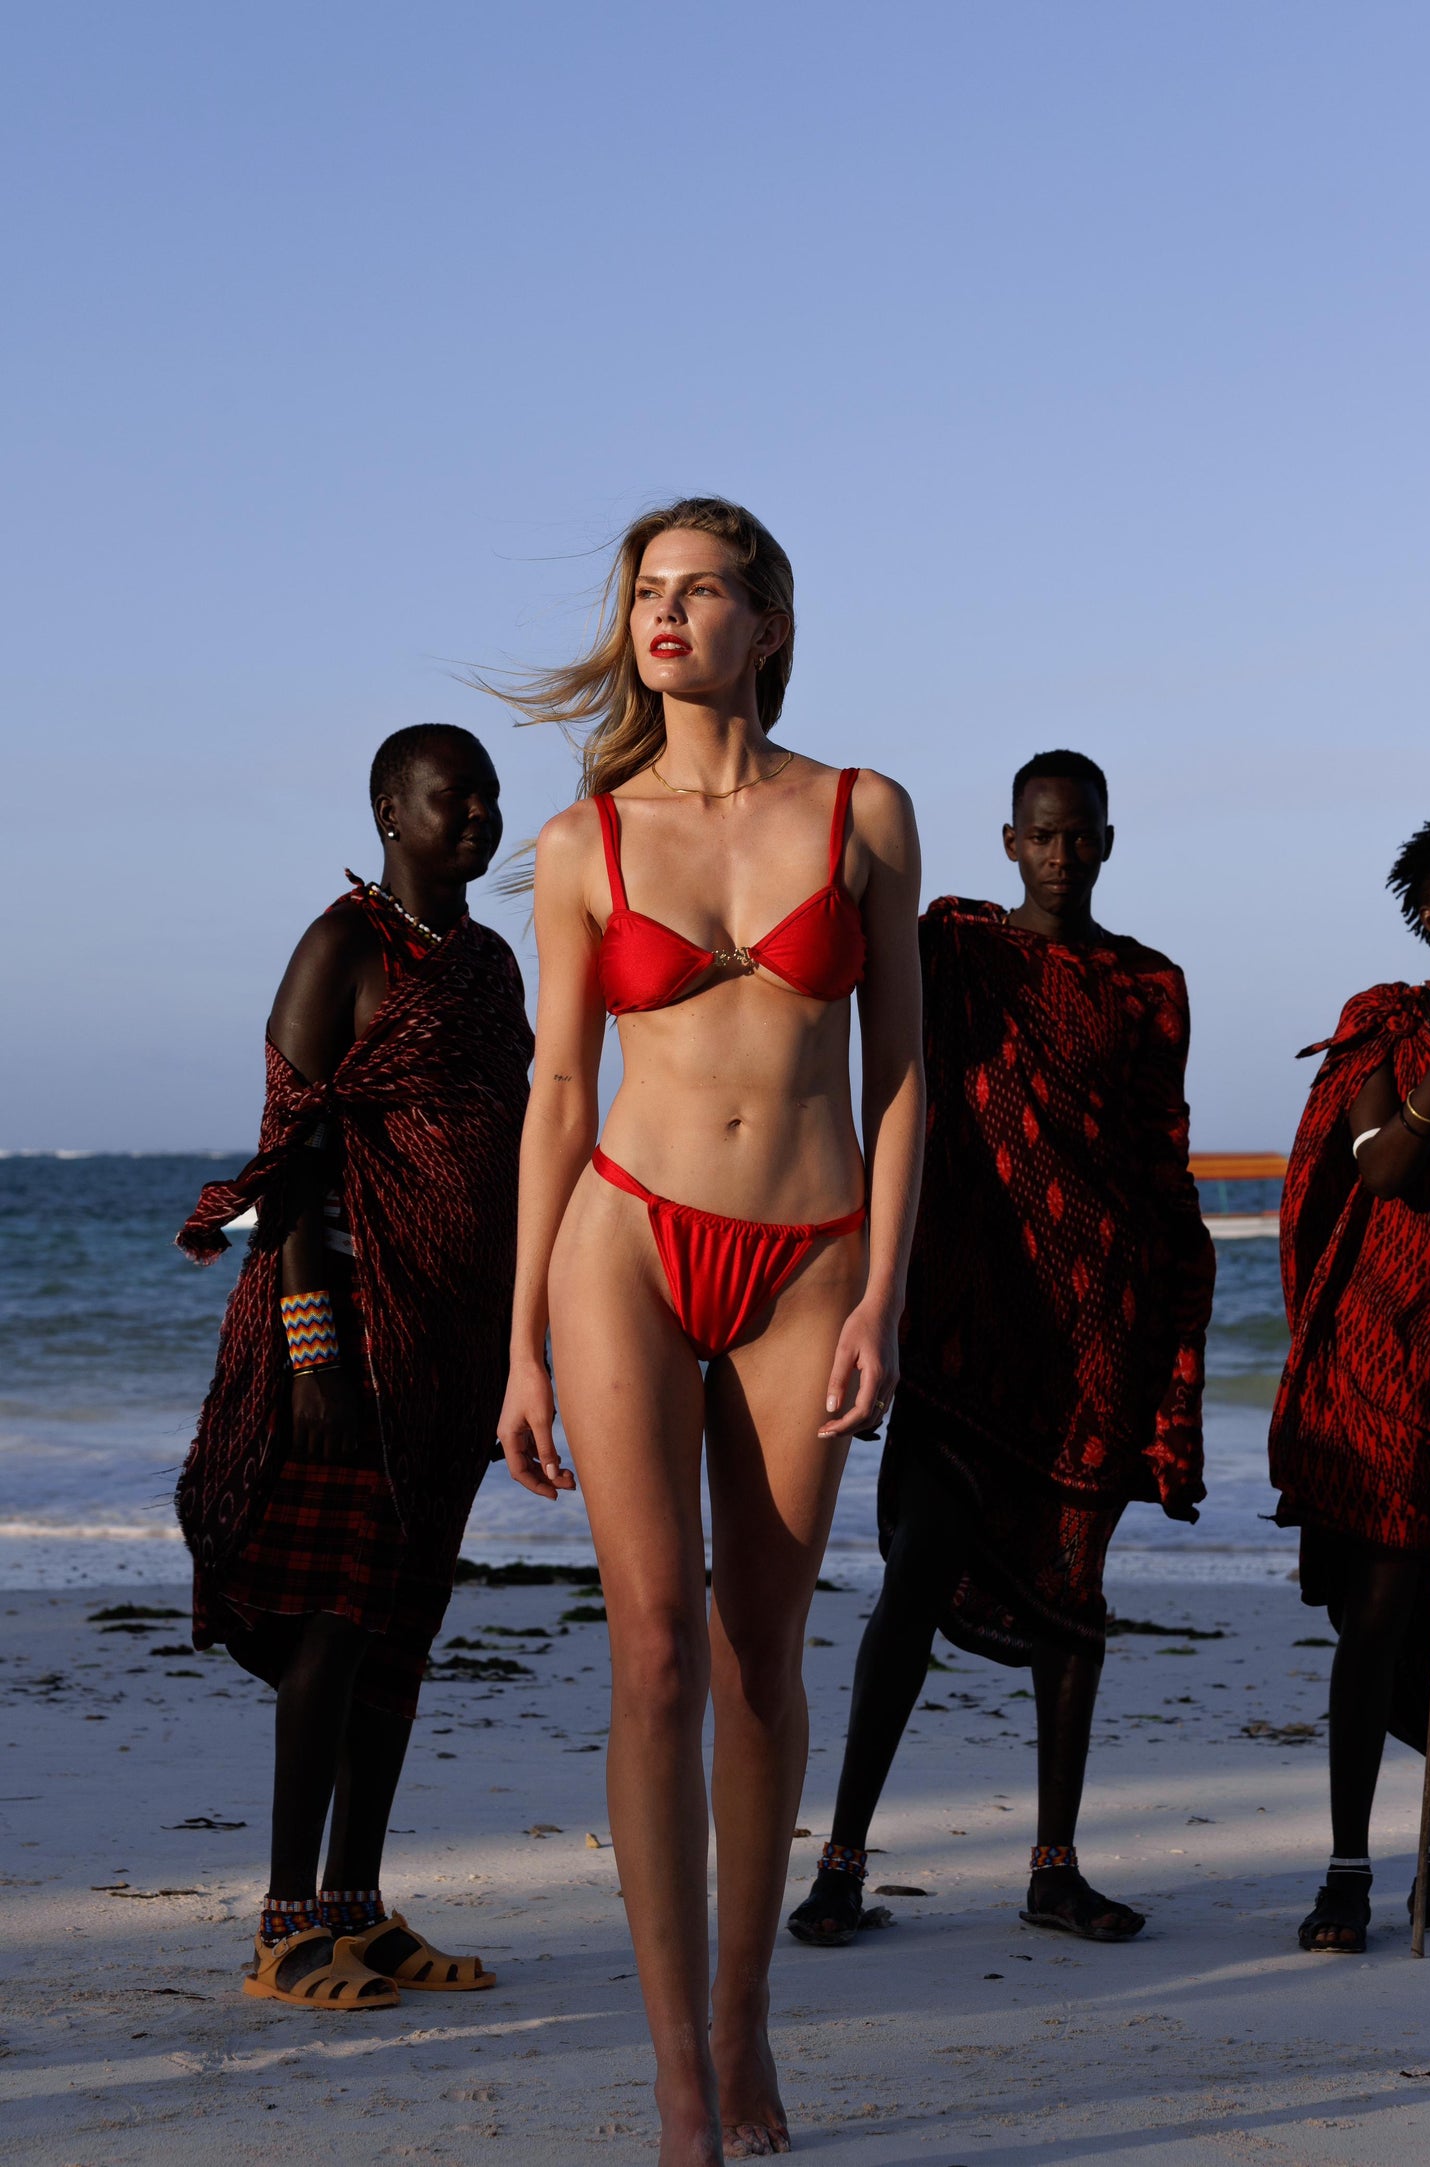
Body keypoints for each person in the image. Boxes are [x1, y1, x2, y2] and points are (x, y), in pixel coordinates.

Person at [491, 497, 922, 2163]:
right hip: (626, 1241)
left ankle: (746, 2024)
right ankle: (680, 2080)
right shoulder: (587, 842)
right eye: (647, 593)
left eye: (702, 591)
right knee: (654, 1647)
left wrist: (889, 1288)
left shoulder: (863, 812)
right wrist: (521, 1334)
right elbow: (552, 1093)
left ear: (770, 624)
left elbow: (901, 1082)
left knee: (763, 1654)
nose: (665, 616)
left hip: (811, 1257)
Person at [789, 750, 1215, 1951]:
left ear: (1106, 844)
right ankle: (839, 1861)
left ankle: (1052, 1867)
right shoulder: (953, 953)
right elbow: (845, 989)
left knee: (1071, 1606)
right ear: (1009, 842)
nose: (1062, 855)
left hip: (1095, 1332)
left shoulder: (1150, 986)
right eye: (1041, 835)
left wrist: (1173, 1341)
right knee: (914, 1571)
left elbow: (1157, 1154)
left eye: (1081, 836)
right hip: (964, 1318)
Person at [176, 724, 533, 2008]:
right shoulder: (343, 946)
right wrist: (312, 1355)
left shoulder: (487, 964)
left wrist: (518, 1347)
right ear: (392, 807)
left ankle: (359, 1908)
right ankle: (284, 1929)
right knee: (331, 1624)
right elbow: (291, 1167)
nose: (481, 818)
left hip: (453, 1346)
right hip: (342, 1340)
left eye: (492, 797)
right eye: (455, 798)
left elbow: (515, 1146)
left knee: (398, 1632)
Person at [1271, 821, 1430, 1955]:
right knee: (1377, 1614)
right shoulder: (1382, 1026)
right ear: (1427, 914)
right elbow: (1382, 1162)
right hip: (1383, 1357)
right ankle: (1345, 1871)